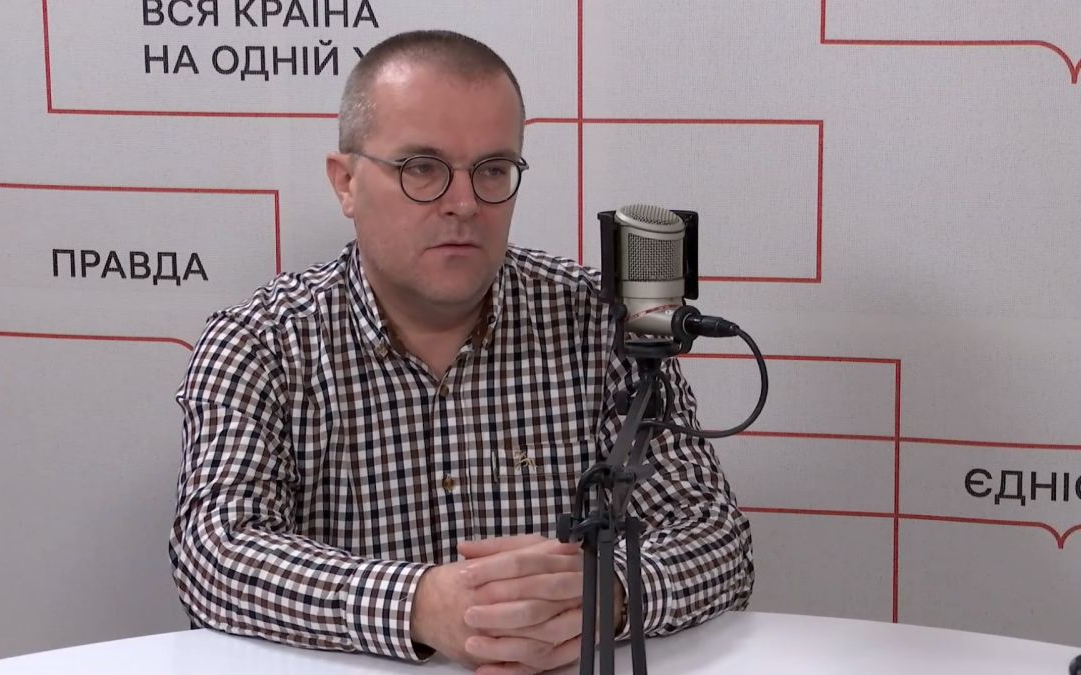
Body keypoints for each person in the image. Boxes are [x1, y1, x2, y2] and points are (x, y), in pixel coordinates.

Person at [169, 29, 753, 674]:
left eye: (492, 170)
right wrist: (418, 604)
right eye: (422, 167)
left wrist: (607, 593)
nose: (465, 204)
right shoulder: (259, 343)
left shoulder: (603, 324)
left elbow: (714, 535)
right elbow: (213, 554)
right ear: (346, 183)